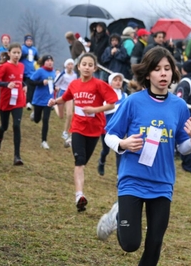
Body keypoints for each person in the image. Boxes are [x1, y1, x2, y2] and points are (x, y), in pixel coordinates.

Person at [96, 47, 191, 266]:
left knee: (154, 246)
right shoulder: (133, 102)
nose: (163, 74)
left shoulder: (180, 106)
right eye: (157, 69)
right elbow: (109, 135)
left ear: (173, 72)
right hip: (132, 180)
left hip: (162, 183)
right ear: (147, 74)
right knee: (130, 244)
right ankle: (117, 215)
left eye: (167, 69)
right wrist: (123, 144)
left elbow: (182, 148)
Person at [47, 53, 118, 212]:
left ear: (95, 68)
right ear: (78, 66)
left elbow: (112, 104)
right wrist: (54, 101)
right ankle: (79, 195)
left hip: (94, 129)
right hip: (77, 128)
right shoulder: (74, 85)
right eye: (84, 64)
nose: (86, 67)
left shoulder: (99, 84)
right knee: (79, 162)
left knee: (84, 162)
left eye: (90, 65)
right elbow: (65, 97)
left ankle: (80, 197)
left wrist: (95, 109)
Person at [0, 43, 27, 166]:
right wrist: (6, 84)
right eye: (14, 52)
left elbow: (20, 79)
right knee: (4, 126)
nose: (17, 55)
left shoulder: (22, 66)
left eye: (19, 53)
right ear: (9, 53)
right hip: (6, 101)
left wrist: (24, 85)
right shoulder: (4, 67)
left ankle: (17, 156)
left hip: (18, 101)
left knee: (17, 126)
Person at [97, 72, 127, 176]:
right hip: (107, 127)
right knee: (106, 150)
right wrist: (117, 107)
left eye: (120, 80)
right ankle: (101, 161)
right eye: (115, 80)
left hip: (120, 128)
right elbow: (105, 109)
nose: (118, 82)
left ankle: (119, 175)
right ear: (110, 82)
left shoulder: (125, 96)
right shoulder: (106, 96)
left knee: (119, 151)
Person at [29, 55, 56, 150]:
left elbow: (53, 84)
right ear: (44, 62)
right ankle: (34, 114)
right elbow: (31, 82)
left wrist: (55, 87)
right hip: (38, 99)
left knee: (46, 120)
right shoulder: (40, 71)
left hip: (48, 100)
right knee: (37, 120)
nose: (50, 62)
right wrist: (41, 82)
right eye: (48, 60)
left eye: (51, 60)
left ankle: (44, 141)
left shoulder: (53, 72)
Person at [54, 58, 78, 147]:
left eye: (72, 64)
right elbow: (55, 82)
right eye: (69, 64)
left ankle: (65, 131)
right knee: (61, 116)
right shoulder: (63, 74)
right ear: (66, 66)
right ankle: (55, 107)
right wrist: (56, 88)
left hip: (70, 95)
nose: (70, 66)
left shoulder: (75, 75)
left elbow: (76, 84)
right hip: (62, 93)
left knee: (69, 114)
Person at [20, 34, 39, 111]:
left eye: (30, 41)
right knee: (26, 87)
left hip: (32, 72)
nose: (29, 42)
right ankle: (26, 102)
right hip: (24, 72)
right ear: (25, 41)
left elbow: (37, 59)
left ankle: (31, 102)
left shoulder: (34, 49)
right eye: (27, 41)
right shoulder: (22, 48)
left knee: (32, 88)